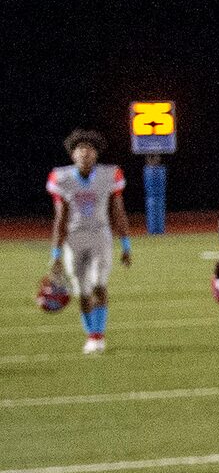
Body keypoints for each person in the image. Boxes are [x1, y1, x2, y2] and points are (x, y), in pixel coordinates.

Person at [45, 129, 130, 354]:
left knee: (98, 285)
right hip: (73, 239)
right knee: (81, 292)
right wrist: (55, 255)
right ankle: (90, 334)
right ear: (72, 154)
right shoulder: (61, 178)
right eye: (80, 149)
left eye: (89, 149)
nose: (85, 153)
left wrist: (126, 244)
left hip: (100, 236)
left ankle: (97, 336)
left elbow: (118, 211)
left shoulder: (110, 175)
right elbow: (60, 219)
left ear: (96, 154)